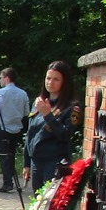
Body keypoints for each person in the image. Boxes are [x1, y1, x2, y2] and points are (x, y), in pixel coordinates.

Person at [24, 59, 81, 192]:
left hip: (55, 162)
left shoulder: (72, 107)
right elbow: (30, 133)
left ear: (64, 82)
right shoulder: (39, 103)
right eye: (48, 78)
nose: (50, 82)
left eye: (56, 79)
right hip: (36, 162)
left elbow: (65, 135)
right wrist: (26, 163)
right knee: (37, 203)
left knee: (51, 203)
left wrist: (48, 115)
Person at [0, 67, 29, 193]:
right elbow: (26, 112)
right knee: (12, 155)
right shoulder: (23, 94)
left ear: (7, 78)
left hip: (3, 129)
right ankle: (12, 180)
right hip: (17, 129)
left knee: (4, 157)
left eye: (1, 78)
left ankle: (7, 183)